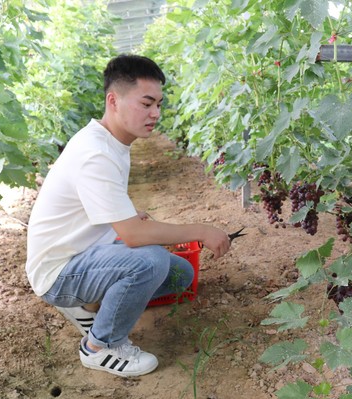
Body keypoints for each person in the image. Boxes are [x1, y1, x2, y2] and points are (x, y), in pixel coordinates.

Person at [25, 54, 231, 378]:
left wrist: (127, 214)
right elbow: (134, 235)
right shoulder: (97, 152)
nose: (156, 114)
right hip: (59, 271)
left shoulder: (110, 142)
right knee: (150, 261)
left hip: (82, 255)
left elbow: (98, 205)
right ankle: (99, 346)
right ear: (113, 100)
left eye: (159, 104)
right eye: (146, 103)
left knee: (180, 276)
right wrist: (202, 230)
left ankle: (90, 305)